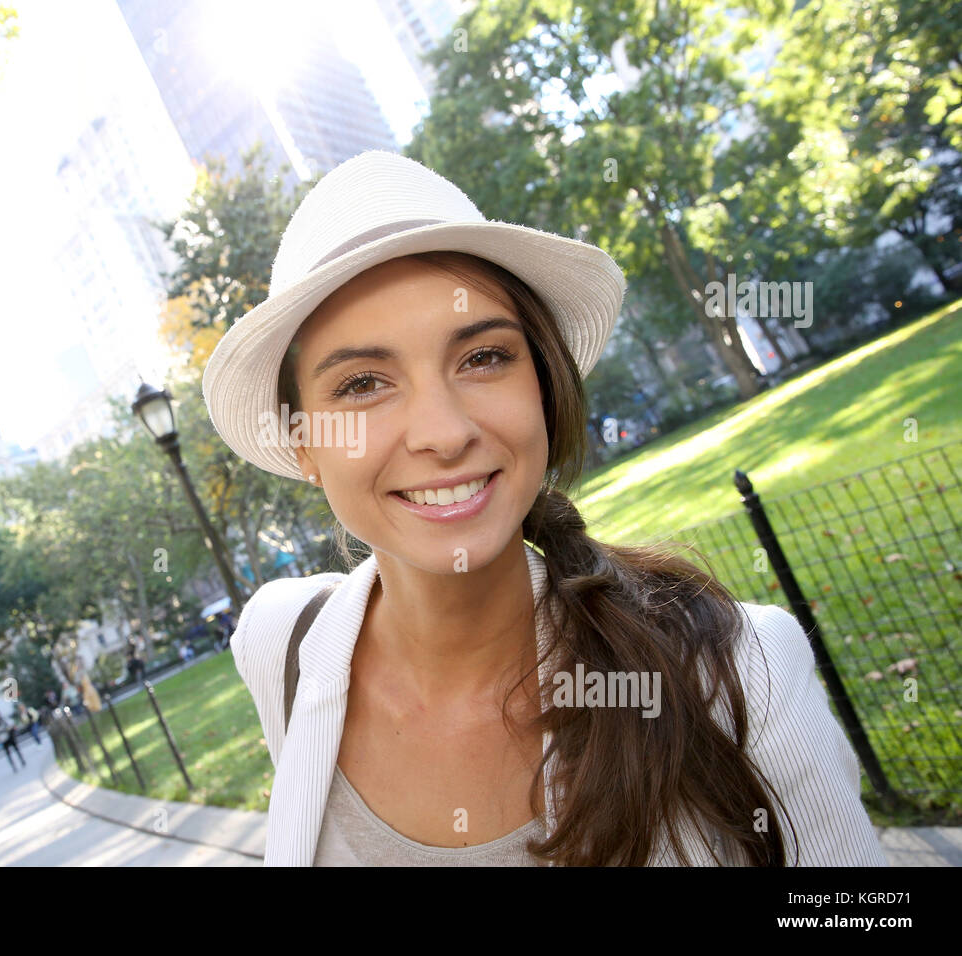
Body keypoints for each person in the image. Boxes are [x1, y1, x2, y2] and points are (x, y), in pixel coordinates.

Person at [201, 150, 887, 867]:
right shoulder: (281, 645)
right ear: (303, 443)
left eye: (483, 358)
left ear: (543, 385)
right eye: (364, 382)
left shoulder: (737, 676)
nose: (444, 432)